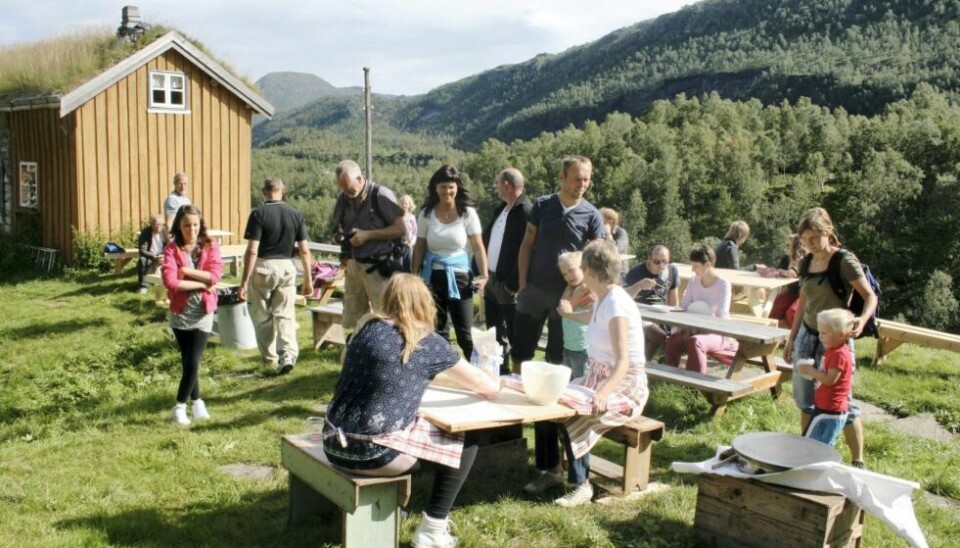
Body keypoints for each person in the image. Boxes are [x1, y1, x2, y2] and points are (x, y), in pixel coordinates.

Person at [322, 274, 500, 547]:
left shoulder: (368, 328)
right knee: (465, 437)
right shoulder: (427, 342)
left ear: (388, 299)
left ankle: (401, 509)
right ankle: (433, 528)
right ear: (425, 303)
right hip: (373, 454)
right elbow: (485, 387)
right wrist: (495, 374)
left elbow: (403, 369)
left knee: (405, 422)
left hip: (332, 442)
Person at [524, 240, 647, 507]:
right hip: (596, 378)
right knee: (545, 404)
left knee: (574, 415)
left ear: (590, 270)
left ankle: (581, 485)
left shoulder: (616, 303)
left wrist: (603, 392)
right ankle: (552, 470)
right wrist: (570, 315)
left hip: (624, 385)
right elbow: (589, 321)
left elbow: (624, 362)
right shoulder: (603, 299)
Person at [783, 207, 877, 469]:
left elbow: (870, 296)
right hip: (807, 335)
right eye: (804, 241)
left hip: (835, 341)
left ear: (827, 233)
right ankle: (807, 455)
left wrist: (862, 319)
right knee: (805, 400)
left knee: (840, 402)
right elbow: (803, 302)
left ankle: (858, 460)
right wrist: (792, 339)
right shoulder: (806, 262)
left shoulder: (844, 261)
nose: (808, 245)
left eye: (813, 239)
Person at [512, 156, 605, 371]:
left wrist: (592, 288)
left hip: (567, 295)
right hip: (534, 289)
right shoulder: (543, 205)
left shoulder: (592, 215)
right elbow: (527, 243)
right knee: (521, 349)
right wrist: (522, 281)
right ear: (561, 177)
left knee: (557, 355)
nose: (582, 185)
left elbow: (598, 256)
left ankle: (551, 398)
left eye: (586, 180)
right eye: (577, 179)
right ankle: (515, 390)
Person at [238, 177, 313, 375]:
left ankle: (269, 358)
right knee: (285, 314)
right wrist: (308, 278)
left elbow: (252, 250)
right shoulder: (295, 214)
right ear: (283, 190)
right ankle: (287, 354)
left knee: (262, 316)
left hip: (263, 266)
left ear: (264, 192)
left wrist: (244, 282)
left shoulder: (258, 214)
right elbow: (304, 250)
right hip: (287, 267)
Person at [412, 165, 488, 358]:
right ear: (435, 188)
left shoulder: (467, 213)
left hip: (460, 278)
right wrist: (413, 278)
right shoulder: (426, 214)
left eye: (451, 187)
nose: (447, 191)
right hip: (432, 276)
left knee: (465, 332)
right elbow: (419, 247)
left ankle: (477, 369)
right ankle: (443, 370)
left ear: (457, 188)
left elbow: (478, 246)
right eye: (443, 187)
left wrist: (484, 276)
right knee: (437, 330)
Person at [161, 205, 223, 426]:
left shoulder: (210, 245)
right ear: (179, 225)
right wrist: (202, 282)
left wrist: (186, 271)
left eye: (195, 224)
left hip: (203, 311)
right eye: (187, 225)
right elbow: (171, 282)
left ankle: (179, 407)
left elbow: (214, 277)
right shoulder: (171, 249)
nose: (192, 229)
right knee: (188, 362)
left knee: (194, 362)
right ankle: (197, 403)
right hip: (180, 313)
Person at [332, 160, 407, 331]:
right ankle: (359, 352)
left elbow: (401, 229)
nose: (346, 192)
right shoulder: (343, 198)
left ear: (360, 178)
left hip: (379, 266)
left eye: (349, 188)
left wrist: (368, 235)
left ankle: (391, 352)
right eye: (342, 188)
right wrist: (339, 237)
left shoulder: (380, 194)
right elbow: (337, 226)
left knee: (387, 314)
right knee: (354, 316)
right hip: (354, 264)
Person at [481, 167, 532, 372]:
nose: (496, 188)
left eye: (497, 184)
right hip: (492, 280)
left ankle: (516, 377)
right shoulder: (501, 209)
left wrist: (512, 284)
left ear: (506, 185)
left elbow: (530, 250)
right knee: (493, 333)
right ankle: (499, 373)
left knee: (513, 333)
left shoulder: (527, 212)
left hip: (508, 284)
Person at [664, 245, 738, 374]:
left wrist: (701, 330)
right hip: (693, 329)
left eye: (696, 266)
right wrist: (685, 327)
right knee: (672, 340)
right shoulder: (694, 281)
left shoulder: (723, 285)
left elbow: (722, 315)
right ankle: (668, 378)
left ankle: (693, 386)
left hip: (718, 333)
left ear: (707, 264)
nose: (693, 269)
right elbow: (684, 307)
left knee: (696, 341)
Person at [798, 309, 856, 447]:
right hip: (827, 407)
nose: (820, 336)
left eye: (824, 333)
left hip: (830, 409)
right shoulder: (834, 350)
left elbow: (830, 380)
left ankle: (814, 466)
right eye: (820, 332)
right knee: (822, 445)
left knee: (811, 444)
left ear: (841, 335)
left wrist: (810, 370)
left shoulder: (839, 355)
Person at [624, 245, 680, 361]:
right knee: (659, 336)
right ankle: (641, 366)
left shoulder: (672, 271)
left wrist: (675, 324)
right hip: (639, 316)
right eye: (656, 262)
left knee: (674, 338)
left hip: (661, 315)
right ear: (649, 259)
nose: (661, 265)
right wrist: (639, 285)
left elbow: (674, 300)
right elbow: (622, 296)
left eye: (665, 262)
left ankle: (664, 372)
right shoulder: (636, 272)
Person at [555, 251, 594, 379]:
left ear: (583, 267)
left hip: (582, 348)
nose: (568, 276)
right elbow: (562, 306)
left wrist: (568, 292)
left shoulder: (585, 287)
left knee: (580, 381)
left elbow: (565, 308)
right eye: (564, 274)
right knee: (566, 382)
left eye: (571, 270)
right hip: (569, 346)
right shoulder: (571, 288)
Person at [762, 233, 804, 328]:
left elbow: (792, 273)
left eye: (789, 245)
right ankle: (771, 331)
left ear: (796, 247)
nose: (786, 247)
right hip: (792, 291)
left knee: (792, 312)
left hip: (803, 293)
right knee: (775, 305)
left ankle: (791, 337)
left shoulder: (803, 260)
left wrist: (780, 272)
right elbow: (778, 272)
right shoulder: (785, 259)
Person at [136, 214, 167, 294]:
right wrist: (153, 256)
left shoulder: (165, 231)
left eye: (161, 224)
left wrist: (164, 256)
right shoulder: (145, 232)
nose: (159, 227)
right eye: (157, 224)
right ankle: (143, 287)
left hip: (162, 255)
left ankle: (171, 284)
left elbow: (170, 246)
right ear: (151, 224)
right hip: (150, 256)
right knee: (142, 260)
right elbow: (142, 250)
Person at [599, 207, 630, 276]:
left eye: (601, 221)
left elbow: (615, 249)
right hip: (604, 272)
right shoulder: (599, 232)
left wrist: (608, 233)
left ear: (609, 222)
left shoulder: (621, 232)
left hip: (620, 273)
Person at [399, 194, 418, 273]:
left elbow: (415, 233)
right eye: (403, 203)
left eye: (406, 203)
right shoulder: (397, 217)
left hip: (408, 246)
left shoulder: (412, 218)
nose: (404, 205)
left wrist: (412, 242)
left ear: (409, 205)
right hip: (398, 245)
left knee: (408, 267)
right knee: (398, 266)